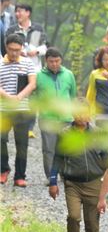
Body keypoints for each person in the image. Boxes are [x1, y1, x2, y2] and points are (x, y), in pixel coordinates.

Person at [49, 102, 108, 232]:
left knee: (92, 222)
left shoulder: (99, 133)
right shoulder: (65, 134)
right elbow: (57, 158)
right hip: (72, 184)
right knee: (73, 217)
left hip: (94, 183)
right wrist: (53, 182)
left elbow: (106, 158)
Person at [0, 34, 37, 186]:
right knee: (1, 139)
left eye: (17, 49)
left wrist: (19, 96)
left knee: (21, 143)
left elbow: (32, 84)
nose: (14, 53)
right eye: (11, 49)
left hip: (22, 109)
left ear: (22, 48)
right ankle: (3, 169)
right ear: (6, 47)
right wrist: (8, 96)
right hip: (3, 109)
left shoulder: (28, 63)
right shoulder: (0, 63)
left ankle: (20, 176)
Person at [35, 48, 77, 178]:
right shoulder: (38, 76)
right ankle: (51, 176)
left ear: (61, 60)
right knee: (49, 150)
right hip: (47, 118)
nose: (54, 64)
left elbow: (73, 95)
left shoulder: (69, 74)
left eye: (57, 61)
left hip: (66, 118)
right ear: (46, 61)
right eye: (51, 61)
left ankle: (66, 175)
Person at [9, 3, 48, 72]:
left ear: (28, 13)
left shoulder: (38, 28)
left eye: (19, 11)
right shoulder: (12, 30)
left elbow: (45, 46)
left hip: (35, 68)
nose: (17, 14)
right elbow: (7, 47)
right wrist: (18, 51)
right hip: (17, 68)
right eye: (16, 12)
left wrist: (36, 51)